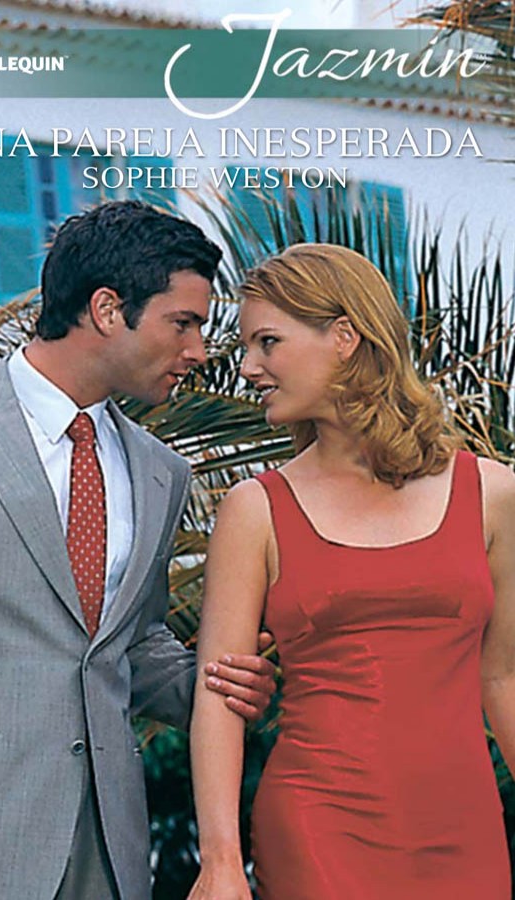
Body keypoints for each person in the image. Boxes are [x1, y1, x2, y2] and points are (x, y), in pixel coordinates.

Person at [0, 200, 276, 900]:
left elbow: (128, 644)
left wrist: (217, 684)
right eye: (183, 323)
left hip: (108, 847)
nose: (200, 353)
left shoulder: (161, 471)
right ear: (108, 309)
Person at [188, 243, 515, 899]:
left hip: (466, 829)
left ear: (344, 337)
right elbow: (218, 694)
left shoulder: (493, 494)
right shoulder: (255, 510)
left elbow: (502, 675)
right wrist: (220, 861)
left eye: (267, 342)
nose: (248, 367)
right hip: (318, 827)